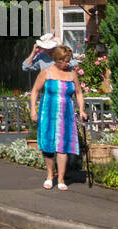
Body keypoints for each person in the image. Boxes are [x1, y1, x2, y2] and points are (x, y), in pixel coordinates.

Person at [29, 45, 87, 190]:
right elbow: (35, 91)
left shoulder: (72, 74)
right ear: (57, 60)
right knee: (48, 145)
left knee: (63, 146)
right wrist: (33, 110)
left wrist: (81, 110)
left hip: (66, 114)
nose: (68, 64)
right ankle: (50, 175)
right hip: (48, 113)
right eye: (65, 61)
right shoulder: (46, 73)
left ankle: (60, 179)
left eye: (69, 61)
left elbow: (79, 93)